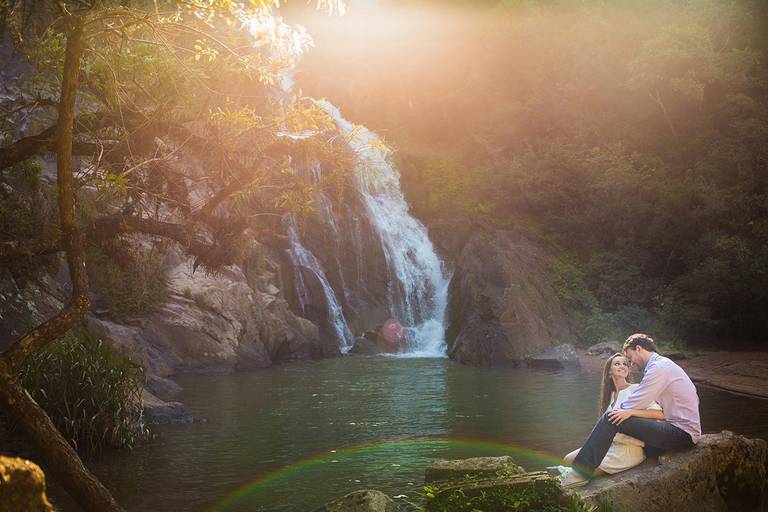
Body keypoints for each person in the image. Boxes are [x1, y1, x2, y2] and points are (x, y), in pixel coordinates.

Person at [562, 333, 701, 488]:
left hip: (682, 433)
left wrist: (622, 414)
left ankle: (580, 473)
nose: (631, 364)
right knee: (613, 418)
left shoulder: (658, 368)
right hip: (673, 428)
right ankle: (583, 468)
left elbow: (637, 402)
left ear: (639, 349)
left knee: (611, 417)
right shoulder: (661, 365)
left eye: (629, 357)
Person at [562, 353, 663, 475]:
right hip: (609, 445)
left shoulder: (636, 389)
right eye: (617, 364)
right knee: (567, 459)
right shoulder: (609, 397)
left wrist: (630, 412)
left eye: (625, 364)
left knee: (582, 473)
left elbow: (659, 414)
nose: (622, 366)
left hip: (628, 449)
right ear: (609, 372)